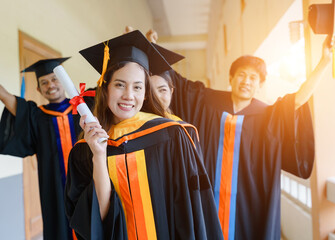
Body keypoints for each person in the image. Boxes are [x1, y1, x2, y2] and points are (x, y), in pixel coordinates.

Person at [147, 30, 335, 240]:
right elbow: (178, 83)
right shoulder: (205, 101)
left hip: (249, 203)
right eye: (241, 74)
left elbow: (298, 100)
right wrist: (151, 47)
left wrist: (324, 61)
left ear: (260, 84)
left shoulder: (268, 116)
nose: (246, 81)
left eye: (253, 77)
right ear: (231, 78)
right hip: (206, 194)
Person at [64, 30, 223, 240]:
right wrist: (99, 155)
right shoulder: (85, 150)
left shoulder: (171, 136)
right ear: (105, 88)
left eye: (137, 87)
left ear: (146, 93)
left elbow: (192, 212)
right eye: (120, 84)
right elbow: (95, 222)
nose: (129, 95)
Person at [0, 58, 94, 239]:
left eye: (55, 79)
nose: (50, 85)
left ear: (64, 80)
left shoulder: (84, 109)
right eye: (44, 82)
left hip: (89, 181)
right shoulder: (36, 116)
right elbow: (4, 96)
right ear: (38, 89)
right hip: (54, 186)